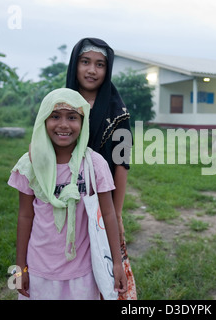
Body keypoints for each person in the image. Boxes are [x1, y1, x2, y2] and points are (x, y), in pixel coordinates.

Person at [8, 88, 127, 299]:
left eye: (72, 117)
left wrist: (117, 263)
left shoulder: (94, 164)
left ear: (83, 123)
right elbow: (25, 216)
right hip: (38, 271)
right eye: (55, 116)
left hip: (83, 272)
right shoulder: (30, 164)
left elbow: (107, 215)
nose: (63, 125)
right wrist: (19, 269)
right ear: (43, 120)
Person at [66, 38, 131, 247]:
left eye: (100, 64)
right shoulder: (61, 104)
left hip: (102, 201)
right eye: (85, 61)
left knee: (101, 260)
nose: (92, 70)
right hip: (63, 195)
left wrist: (117, 214)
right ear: (75, 64)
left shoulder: (118, 113)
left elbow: (122, 163)